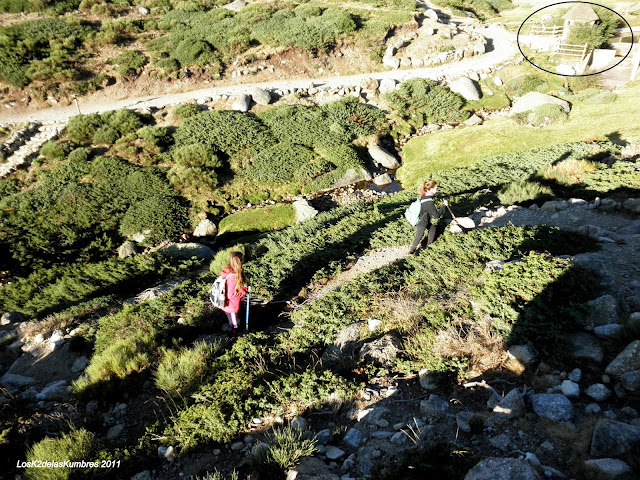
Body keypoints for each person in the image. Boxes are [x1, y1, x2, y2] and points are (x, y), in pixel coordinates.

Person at [409, 180, 448, 254]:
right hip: (422, 222)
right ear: (430, 189)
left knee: (432, 227)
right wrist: (444, 206)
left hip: (422, 220)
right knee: (419, 235)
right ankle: (411, 251)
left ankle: (429, 244)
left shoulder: (424, 196)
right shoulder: (429, 202)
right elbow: (436, 216)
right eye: (436, 188)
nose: (437, 190)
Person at [219, 251, 249, 333]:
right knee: (235, 325)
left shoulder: (231, 272)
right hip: (231, 306)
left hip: (233, 304)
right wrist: (244, 292)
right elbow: (231, 294)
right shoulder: (232, 277)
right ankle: (233, 338)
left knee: (237, 322)